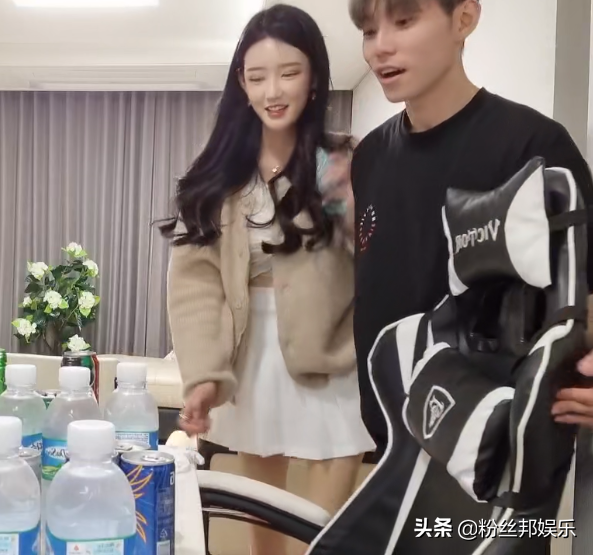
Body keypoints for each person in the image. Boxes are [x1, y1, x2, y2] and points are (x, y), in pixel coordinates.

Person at [161, 4, 375, 554]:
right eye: (257, 77)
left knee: (322, 535)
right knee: (267, 538)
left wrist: (352, 204)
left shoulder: (344, 162)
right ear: (241, 83)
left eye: (289, 72)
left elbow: (380, 260)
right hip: (252, 360)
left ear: (314, 77)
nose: (273, 91)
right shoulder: (219, 174)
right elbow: (196, 284)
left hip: (333, 360)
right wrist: (203, 374)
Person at [346, 0, 593, 459]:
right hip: (390, 440)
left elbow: (585, 286)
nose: (380, 47)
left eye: (404, 21)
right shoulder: (371, 157)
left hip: (493, 445)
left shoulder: (533, 145)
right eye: (368, 31)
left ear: (463, 19)